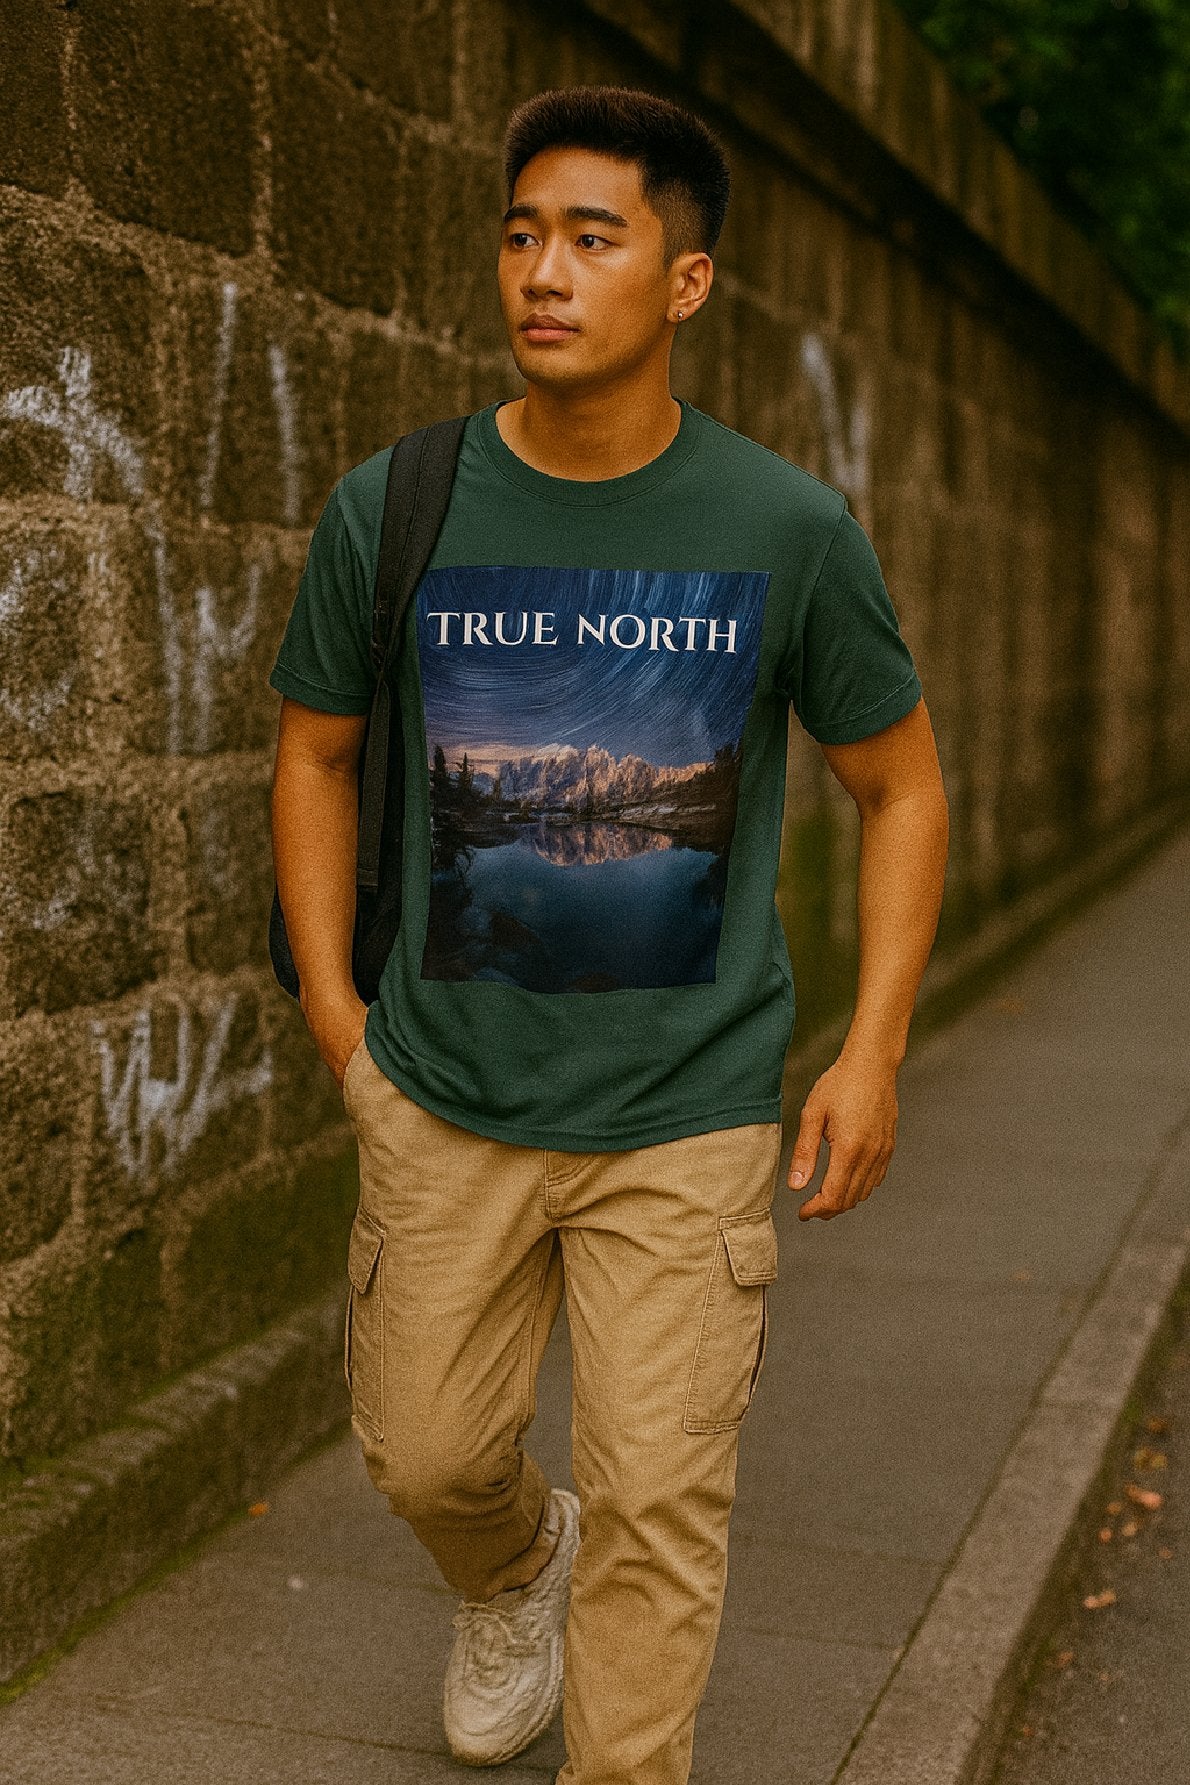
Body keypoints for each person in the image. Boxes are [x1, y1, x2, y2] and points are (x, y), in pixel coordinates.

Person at [268, 82, 949, 1785]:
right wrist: (342, 1022)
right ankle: (511, 1570)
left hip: (688, 1112)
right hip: (441, 1088)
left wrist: (869, 1052)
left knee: (659, 1504)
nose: (542, 272)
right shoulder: (398, 505)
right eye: (520, 235)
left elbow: (904, 789)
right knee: (425, 1457)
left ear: (686, 283)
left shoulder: (784, 528)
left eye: (592, 236)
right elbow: (314, 752)